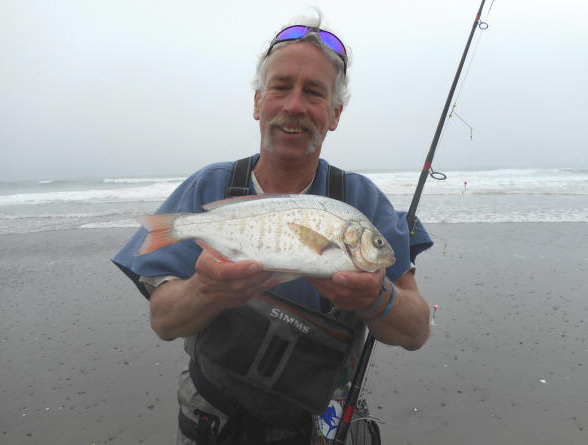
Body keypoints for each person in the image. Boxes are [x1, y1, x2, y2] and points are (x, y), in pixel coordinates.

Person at [113, 14, 433, 445]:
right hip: (217, 422)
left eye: (314, 92)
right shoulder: (210, 186)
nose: (295, 106)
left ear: (335, 114)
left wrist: (379, 298)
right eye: (281, 87)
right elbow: (163, 320)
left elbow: (416, 330)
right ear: (258, 101)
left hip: (321, 423)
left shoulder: (362, 201)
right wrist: (205, 291)